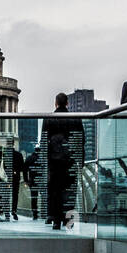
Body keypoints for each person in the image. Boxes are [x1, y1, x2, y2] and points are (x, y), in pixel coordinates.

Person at [43, 93, 85, 230]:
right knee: (70, 191)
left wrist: (46, 162)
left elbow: (44, 141)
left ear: (55, 103)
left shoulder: (49, 118)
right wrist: (81, 161)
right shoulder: (74, 119)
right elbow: (81, 140)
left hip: (54, 162)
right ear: (67, 103)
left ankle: (56, 221)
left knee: (55, 191)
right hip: (70, 161)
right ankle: (69, 221)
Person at [4, 136, 24, 221]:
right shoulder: (19, 155)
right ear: (13, 144)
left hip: (6, 177)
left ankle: (6, 212)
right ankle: (14, 211)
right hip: (15, 177)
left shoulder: (4, 154)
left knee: (6, 195)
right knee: (15, 194)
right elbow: (22, 167)